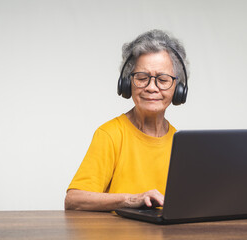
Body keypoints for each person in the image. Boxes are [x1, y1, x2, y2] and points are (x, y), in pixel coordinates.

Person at [65, 29, 188, 211]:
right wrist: (131, 200)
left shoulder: (181, 143)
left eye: (162, 80)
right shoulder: (110, 134)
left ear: (178, 89)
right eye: (142, 78)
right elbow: (74, 200)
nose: (151, 88)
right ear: (127, 84)